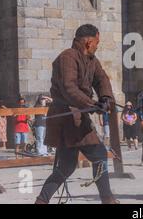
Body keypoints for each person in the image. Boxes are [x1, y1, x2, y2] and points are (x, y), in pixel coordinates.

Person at [35, 24, 119, 204]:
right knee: (99, 154)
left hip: (79, 116)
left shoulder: (91, 60)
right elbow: (69, 88)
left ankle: (41, 201)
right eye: (97, 42)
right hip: (69, 117)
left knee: (66, 166)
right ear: (89, 42)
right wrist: (92, 103)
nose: (98, 46)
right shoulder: (68, 57)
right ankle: (108, 200)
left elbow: (102, 79)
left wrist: (105, 98)